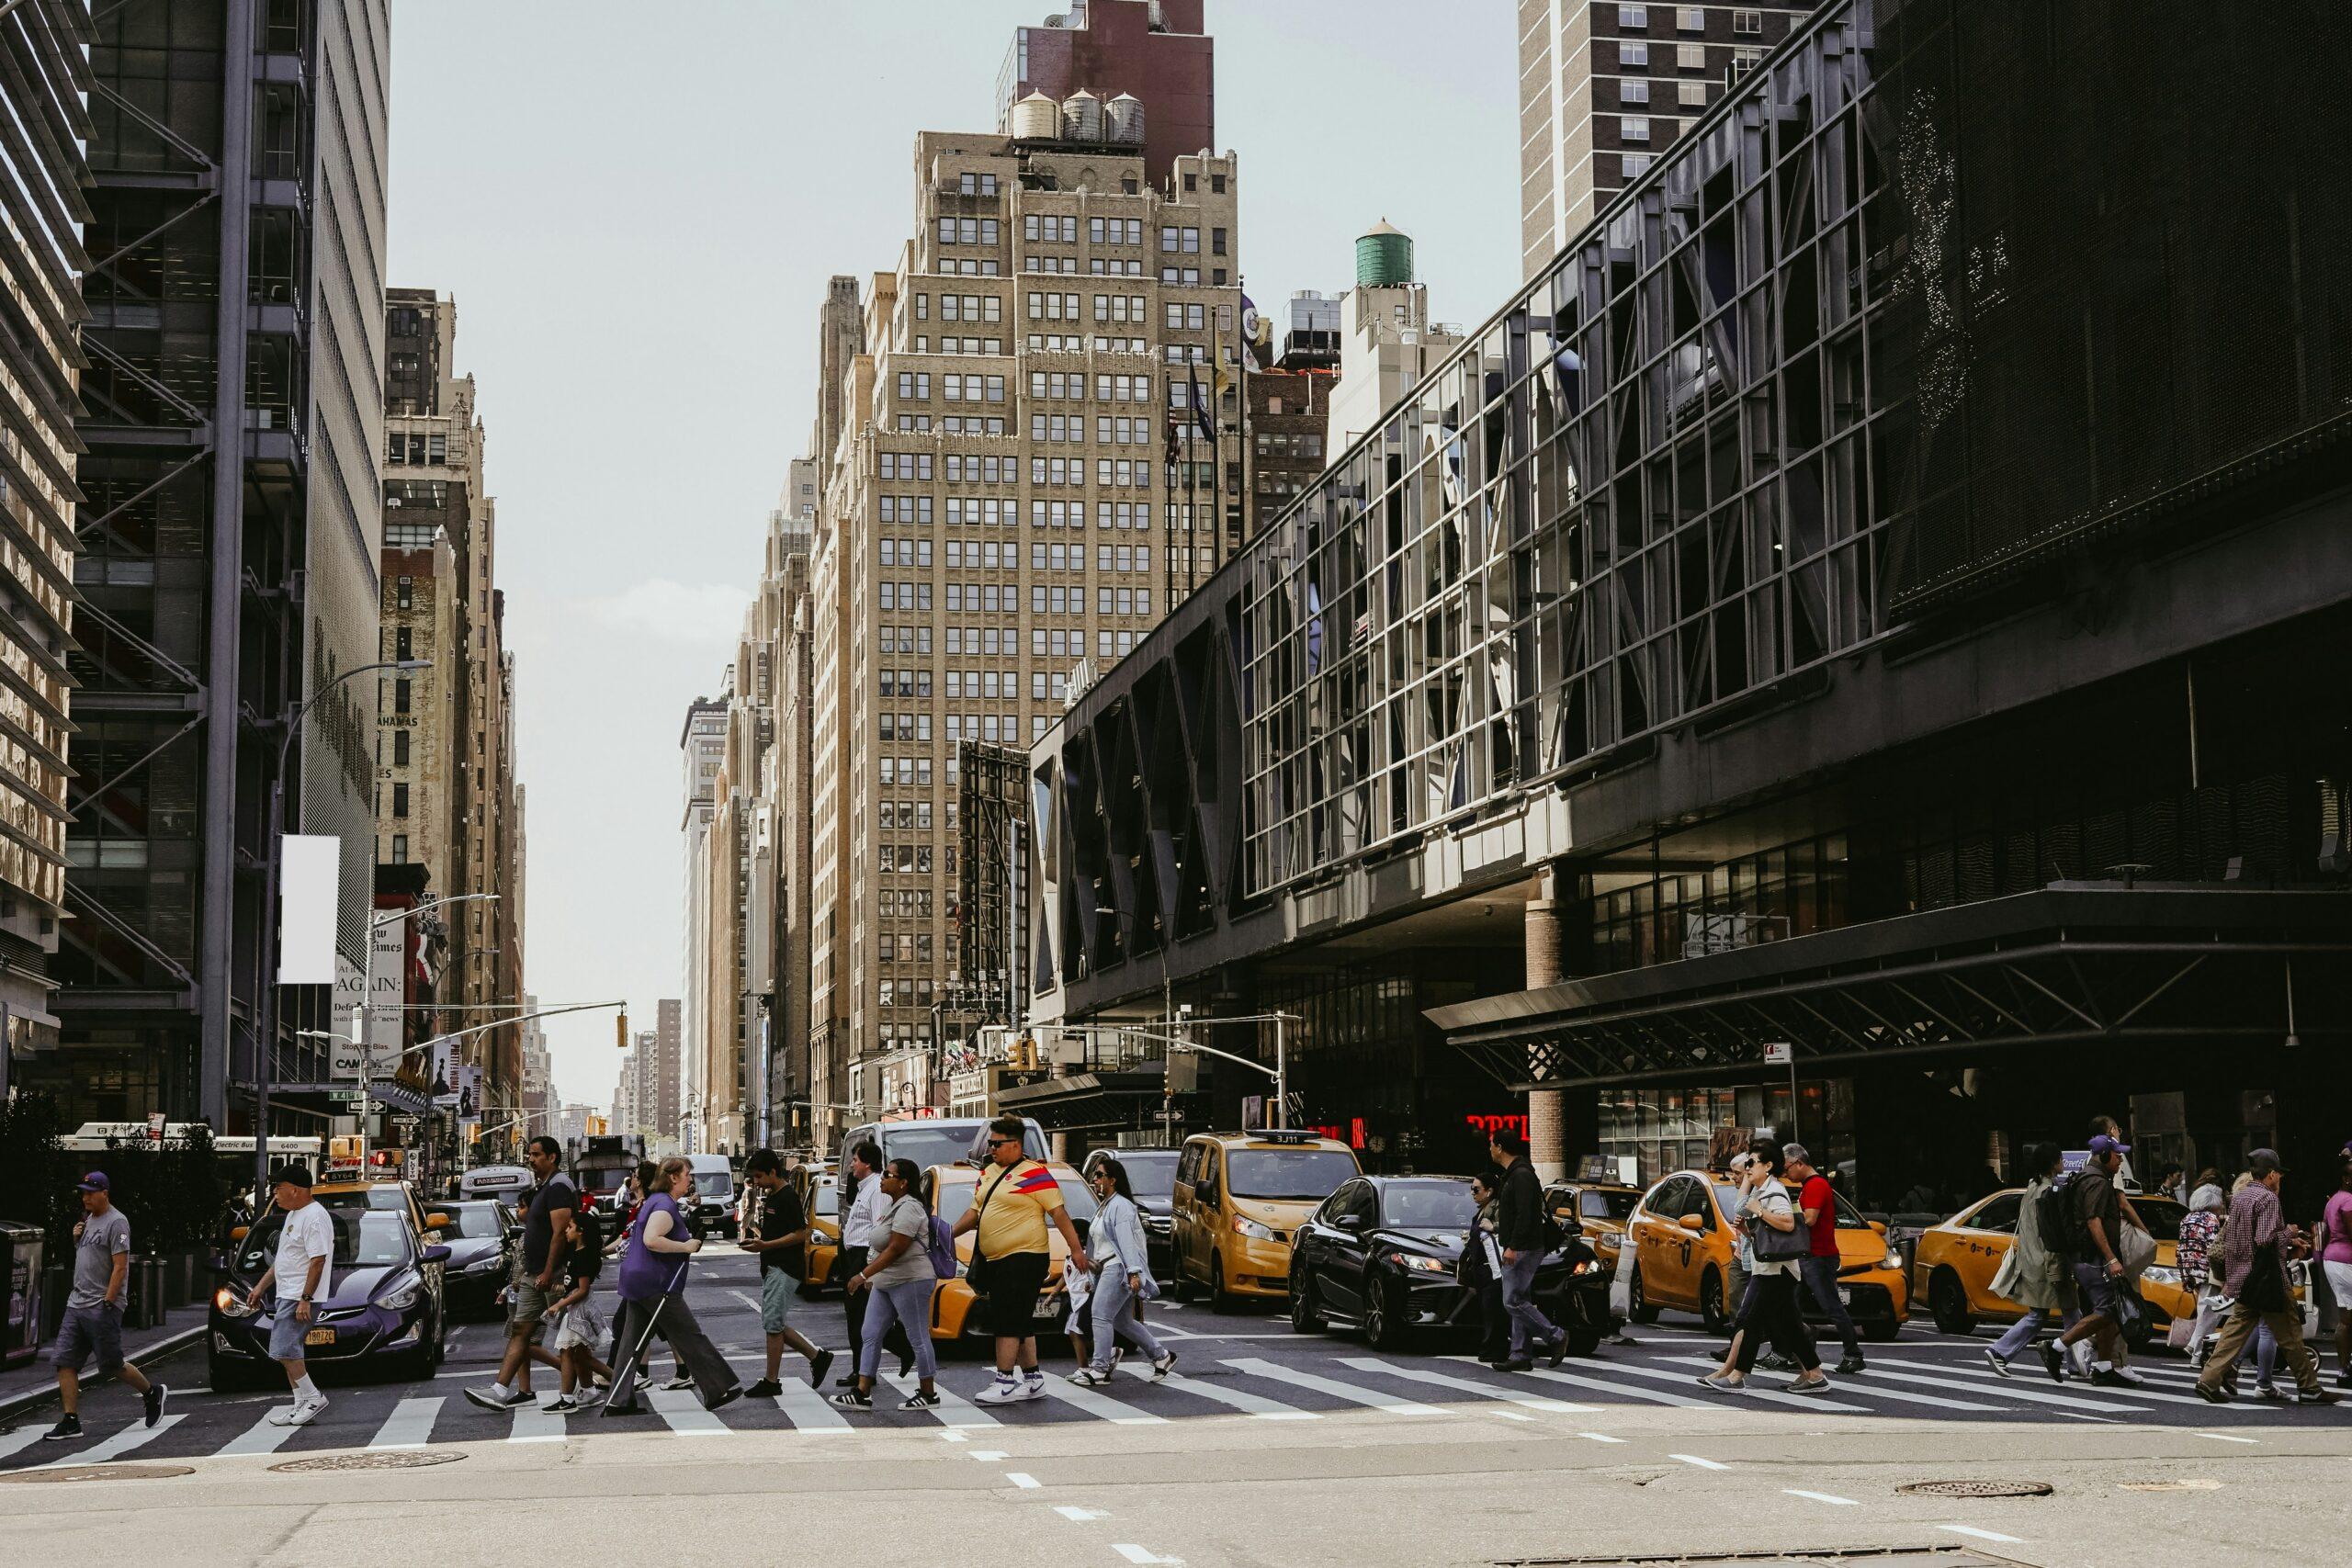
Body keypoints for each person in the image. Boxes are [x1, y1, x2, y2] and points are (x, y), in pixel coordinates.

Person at [954, 1116, 1090, 1404]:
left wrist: (1076, 1250)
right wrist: (948, 1233)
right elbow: (975, 1212)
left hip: (1025, 1257)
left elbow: (1060, 1214)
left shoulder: (1035, 1174)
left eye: (997, 1144)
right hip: (996, 1259)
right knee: (1020, 1320)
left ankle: (1004, 1381)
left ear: (1015, 1144)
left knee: (1006, 1320)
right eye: (990, 1143)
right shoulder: (988, 1173)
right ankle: (1033, 1379)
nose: (991, 1148)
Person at [604, 1156, 743, 1415]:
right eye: (687, 1174)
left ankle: (617, 1400)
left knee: (630, 1343)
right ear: (673, 1177)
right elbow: (651, 1240)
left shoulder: (655, 1201)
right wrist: (686, 1246)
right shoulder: (664, 1206)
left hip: (639, 1280)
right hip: (656, 1284)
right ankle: (718, 1388)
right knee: (690, 1335)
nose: (691, 1178)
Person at [2197, 1151, 2335, 1405]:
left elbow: (2246, 1237)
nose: (2280, 1180)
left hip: (2244, 1278)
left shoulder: (2240, 1198)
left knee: (2234, 1332)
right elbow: (2264, 1239)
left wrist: (2286, 1239)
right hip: (2268, 1279)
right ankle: (2309, 1387)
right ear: (2271, 1174)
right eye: (2279, 1175)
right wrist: (2289, 1232)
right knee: (2290, 1334)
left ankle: (2208, 1379)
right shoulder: (2268, 1198)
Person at [1697, 1140, 1829, 1393]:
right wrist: (1747, 1230)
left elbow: (1788, 1224)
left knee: (1748, 1320)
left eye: (1752, 1163)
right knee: (1789, 1326)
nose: (1747, 1168)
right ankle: (1814, 1374)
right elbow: (1767, 1238)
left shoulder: (1775, 1192)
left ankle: (1737, 1376)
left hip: (1776, 1272)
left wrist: (1760, 1211)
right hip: (1771, 1268)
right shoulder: (1762, 1191)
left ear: (1768, 1166)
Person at [41, 1172, 165, 1441]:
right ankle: (71, 1420)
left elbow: (120, 1266)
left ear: (104, 1193)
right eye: (83, 1193)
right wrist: (76, 1240)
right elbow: (89, 1259)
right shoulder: (88, 1221)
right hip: (76, 1303)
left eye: (90, 1192)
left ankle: (151, 1392)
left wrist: (108, 1300)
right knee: (65, 1362)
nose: (85, 1197)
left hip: (100, 1305)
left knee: (111, 1365)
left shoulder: (117, 1222)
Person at [466, 1135, 573, 1411]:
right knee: (520, 1331)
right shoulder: (544, 1186)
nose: (531, 1159)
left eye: (536, 1155)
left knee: (570, 1337)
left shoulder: (559, 1186)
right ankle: (500, 1389)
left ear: (552, 1157)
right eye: (530, 1154)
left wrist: (550, 1271)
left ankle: (592, 1384)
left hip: (553, 1273)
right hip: (533, 1274)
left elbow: (560, 1234)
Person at [831, 1158, 943, 1410]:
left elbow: (895, 1248)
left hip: (911, 1279)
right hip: (886, 1280)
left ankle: (928, 1393)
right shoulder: (894, 1205)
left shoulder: (910, 1208)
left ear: (903, 1183)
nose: (882, 1179)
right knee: (870, 1333)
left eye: (888, 1176)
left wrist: (862, 1275)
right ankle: (862, 1392)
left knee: (917, 1337)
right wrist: (872, 1277)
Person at [244, 1164, 336, 1427]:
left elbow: (318, 1260)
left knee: (284, 1349)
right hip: (289, 1293)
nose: (275, 1193)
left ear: (295, 1190)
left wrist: (306, 1298)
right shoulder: (294, 1215)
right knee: (288, 1350)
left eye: (279, 1188)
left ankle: (312, 1397)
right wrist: (261, 1286)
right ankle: (300, 1404)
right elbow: (283, 1259)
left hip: (300, 1294)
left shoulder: (315, 1217)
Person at [2043, 1134, 2138, 1386]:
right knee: (2107, 1309)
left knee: (2111, 1310)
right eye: (2117, 1155)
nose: (2120, 1160)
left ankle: (2104, 1367)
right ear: (2105, 1156)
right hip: (2093, 1258)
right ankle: (2056, 1347)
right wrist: (2111, 1258)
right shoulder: (2097, 1182)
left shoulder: (2091, 1177)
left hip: (2088, 1256)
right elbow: (2093, 1221)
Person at [1070, 1156, 1174, 1386]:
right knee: (1122, 1322)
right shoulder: (1105, 1205)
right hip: (1108, 1268)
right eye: (1095, 1176)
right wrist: (1091, 1276)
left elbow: (1127, 1242)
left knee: (1100, 1315)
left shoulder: (1121, 1206)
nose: (1095, 1180)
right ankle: (1162, 1356)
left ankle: (1100, 1368)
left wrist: (1133, 1272)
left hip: (1118, 1267)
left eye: (1099, 1175)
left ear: (1113, 1180)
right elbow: (1097, 1245)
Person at [740, 1148, 833, 1394]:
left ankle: (772, 1381)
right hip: (773, 1267)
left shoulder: (787, 1197)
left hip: (784, 1268)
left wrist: (765, 1245)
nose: (756, 1182)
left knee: (773, 1324)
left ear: (773, 1172)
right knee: (774, 1322)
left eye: (760, 1177)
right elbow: (777, 1232)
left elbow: (801, 1234)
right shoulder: (773, 1196)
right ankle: (817, 1357)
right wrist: (757, 1238)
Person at [1984, 1144, 2076, 1376]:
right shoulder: (2047, 1192)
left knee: (2052, 1314)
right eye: (2060, 1159)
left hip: (2032, 1261)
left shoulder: (2032, 1188)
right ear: (2053, 1164)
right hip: (2047, 1262)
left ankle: (2075, 1365)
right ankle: (1999, 1351)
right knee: (2066, 1312)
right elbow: (2051, 1232)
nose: (2063, 1163)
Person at [1488, 1128, 1566, 1371]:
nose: (1489, 1149)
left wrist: (1512, 1246)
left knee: (1512, 1301)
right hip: (1523, 1245)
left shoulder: (1520, 1175)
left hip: (1523, 1247)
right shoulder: (1516, 1173)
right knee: (1521, 1299)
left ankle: (1555, 1336)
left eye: (1491, 1144)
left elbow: (1525, 1215)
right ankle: (1520, 1353)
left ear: (1500, 1147)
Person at [1782, 1143, 1864, 1373]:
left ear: (1799, 1162)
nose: (1786, 1173)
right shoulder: (1809, 1185)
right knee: (1793, 1305)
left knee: (1831, 1307)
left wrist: (1784, 1220)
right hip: (1809, 1255)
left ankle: (1853, 1354)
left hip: (1818, 1256)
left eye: (1788, 1167)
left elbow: (1809, 1220)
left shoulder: (1816, 1185)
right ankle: (1800, 1350)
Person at [835, 1139, 910, 1386]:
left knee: (861, 1317)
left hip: (863, 1257)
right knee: (858, 1316)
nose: (851, 1165)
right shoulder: (863, 1187)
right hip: (853, 1256)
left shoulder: (877, 1189)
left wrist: (868, 1270)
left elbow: (879, 1230)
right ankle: (864, 1368)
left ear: (866, 1163)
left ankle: (867, 1369)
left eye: (855, 1160)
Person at [541, 1212, 611, 1413]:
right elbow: (573, 1285)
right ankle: (603, 1386)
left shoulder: (584, 1255)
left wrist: (559, 1304)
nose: (566, 1230)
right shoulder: (576, 1252)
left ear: (581, 1232)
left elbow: (582, 1289)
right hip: (575, 1307)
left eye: (570, 1227)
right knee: (581, 1356)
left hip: (578, 1310)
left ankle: (567, 1398)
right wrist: (558, 1288)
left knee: (566, 1351)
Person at [1457, 1169, 1510, 1367]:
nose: (1472, 1193)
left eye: (1476, 1189)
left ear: (1489, 1191)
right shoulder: (1484, 1209)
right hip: (1483, 1268)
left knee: (1493, 1309)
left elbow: (1508, 1228)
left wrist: (1493, 1227)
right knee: (1489, 1309)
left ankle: (1494, 1349)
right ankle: (1492, 1348)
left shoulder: (1495, 1209)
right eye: (1471, 1189)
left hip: (1493, 1267)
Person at [2177, 1181, 2227, 1369]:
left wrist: (2185, 1276)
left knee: (2205, 1311)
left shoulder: (2186, 1219)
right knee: (2210, 1313)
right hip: (2209, 1271)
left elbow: (2180, 1249)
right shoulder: (2211, 1220)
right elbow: (2215, 1249)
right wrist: (2223, 1276)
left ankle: (2197, 1356)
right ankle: (2194, 1347)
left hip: (2192, 1272)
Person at [2320, 1155, 2352, 1391]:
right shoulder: (2349, 1201)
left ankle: (2343, 1369)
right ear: (2346, 1179)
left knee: (2346, 1318)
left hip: (2333, 1259)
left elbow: (2324, 1231)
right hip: (2347, 1261)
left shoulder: (2332, 1201)